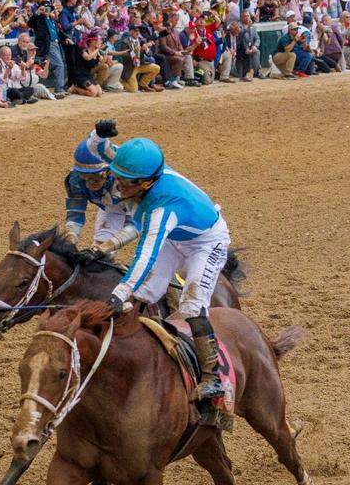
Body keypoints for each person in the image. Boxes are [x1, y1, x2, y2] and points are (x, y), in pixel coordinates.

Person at [106, 137, 232, 423]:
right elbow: (106, 150)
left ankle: (212, 378)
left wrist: (119, 292)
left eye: (126, 181)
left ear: (147, 183)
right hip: (176, 237)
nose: (119, 185)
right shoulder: (141, 169)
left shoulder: (162, 207)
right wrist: (99, 138)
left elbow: (146, 254)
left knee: (192, 304)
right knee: (145, 291)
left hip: (205, 243)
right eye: (118, 177)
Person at [61, 121, 132, 251]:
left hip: (142, 207)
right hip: (112, 206)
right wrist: (70, 237)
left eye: (97, 175)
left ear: (110, 170)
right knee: (98, 251)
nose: (91, 181)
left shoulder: (127, 181)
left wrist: (110, 245)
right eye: (85, 175)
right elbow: (75, 212)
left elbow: (138, 222)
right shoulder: (76, 180)